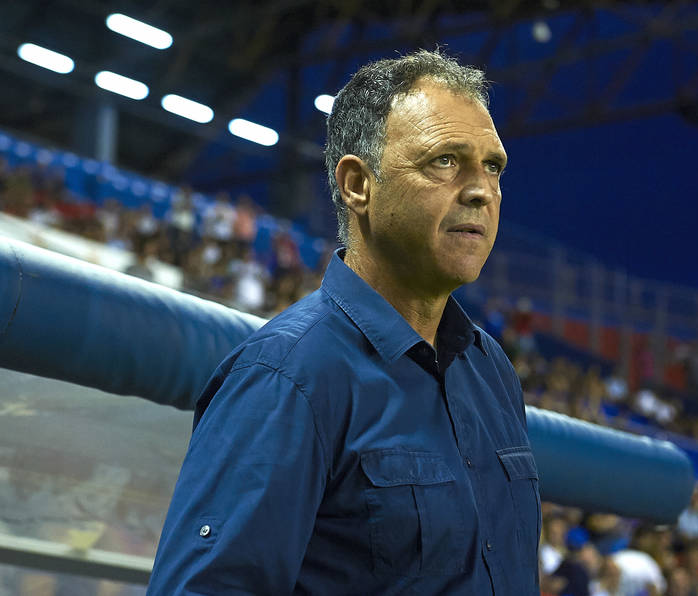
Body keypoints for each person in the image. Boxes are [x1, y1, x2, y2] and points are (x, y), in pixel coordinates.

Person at [147, 49, 540, 594]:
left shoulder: (490, 368)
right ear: (358, 184)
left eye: (493, 166)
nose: (480, 190)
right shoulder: (286, 377)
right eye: (445, 161)